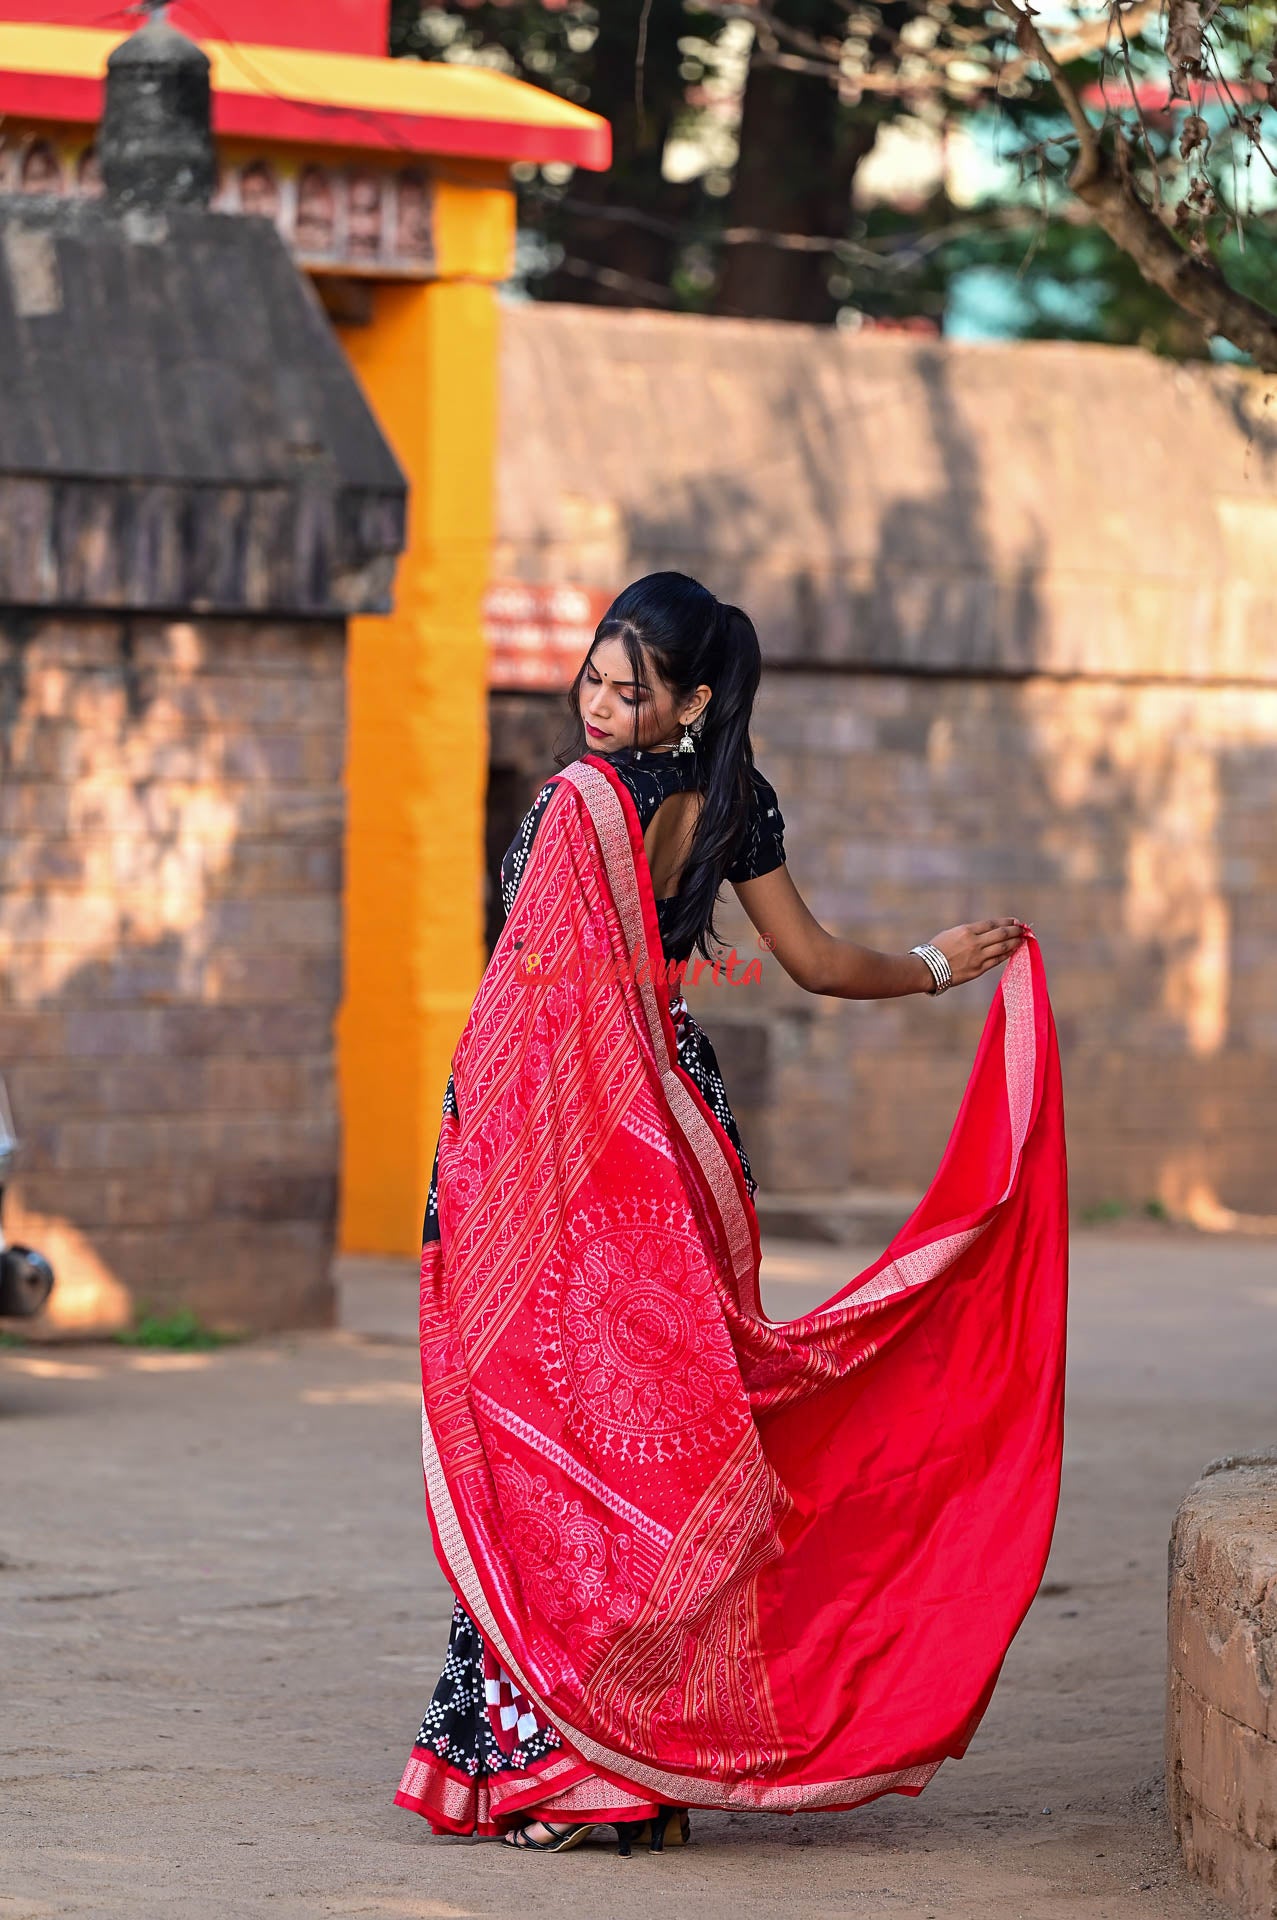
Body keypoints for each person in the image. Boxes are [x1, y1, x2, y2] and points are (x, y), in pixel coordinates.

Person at [395, 572, 1067, 1854]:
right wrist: (930, 965)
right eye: (591, 679)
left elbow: (524, 1009)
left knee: (556, 1450)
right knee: (660, 1448)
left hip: (571, 1161)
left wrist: (465, 1176)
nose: (599, 706)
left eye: (628, 688)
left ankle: (584, 1774)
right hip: (674, 1138)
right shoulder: (735, 800)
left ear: (691, 697)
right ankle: (639, 1769)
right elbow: (814, 961)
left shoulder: (575, 806)